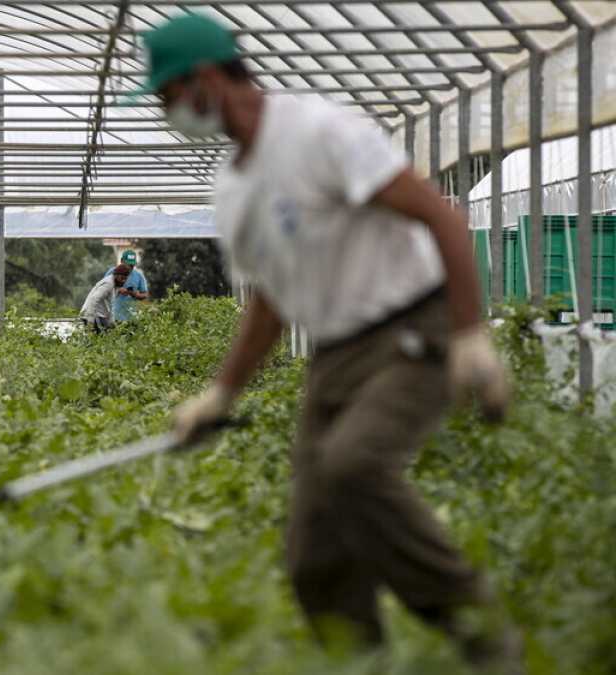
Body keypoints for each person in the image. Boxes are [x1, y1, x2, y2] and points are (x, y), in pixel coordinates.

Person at [137, 14, 519, 670]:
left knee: (354, 464)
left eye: (167, 98)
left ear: (204, 80)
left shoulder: (319, 132)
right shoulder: (231, 190)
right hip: (337, 353)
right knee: (314, 555)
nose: (168, 113)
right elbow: (270, 303)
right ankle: (361, 659)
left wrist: (469, 335)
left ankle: (480, 630)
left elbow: (441, 216)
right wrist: (220, 394)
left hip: (412, 325)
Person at [80, 263, 130, 333]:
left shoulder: (115, 286)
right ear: (116, 275)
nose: (123, 281)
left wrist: (112, 323)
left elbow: (110, 305)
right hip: (93, 316)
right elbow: (94, 299)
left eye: (125, 279)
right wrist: (90, 321)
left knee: (110, 336)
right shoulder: (108, 284)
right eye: (122, 278)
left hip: (100, 316)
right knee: (101, 340)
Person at [104, 250, 150, 322]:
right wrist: (118, 290)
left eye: (132, 265)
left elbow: (145, 295)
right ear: (121, 261)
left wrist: (135, 294)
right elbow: (104, 290)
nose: (130, 267)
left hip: (131, 317)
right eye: (128, 264)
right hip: (113, 316)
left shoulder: (139, 276)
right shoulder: (112, 272)